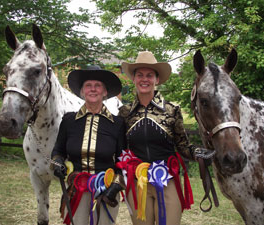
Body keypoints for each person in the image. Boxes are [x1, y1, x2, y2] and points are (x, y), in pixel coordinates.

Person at [119, 51, 215, 225]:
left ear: (157, 80)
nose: (144, 79)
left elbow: (183, 145)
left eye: (149, 75)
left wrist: (197, 153)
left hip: (167, 181)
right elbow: (119, 148)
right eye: (140, 75)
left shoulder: (172, 110)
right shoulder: (125, 113)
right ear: (133, 79)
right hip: (137, 183)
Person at [51, 65, 126, 225]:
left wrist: (116, 186)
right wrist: (57, 161)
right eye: (88, 86)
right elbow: (58, 150)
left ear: (105, 92)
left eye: (97, 85)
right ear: (82, 91)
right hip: (76, 188)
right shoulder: (69, 120)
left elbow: (123, 161)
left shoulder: (117, 124)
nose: (93, 89)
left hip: (107, 189)